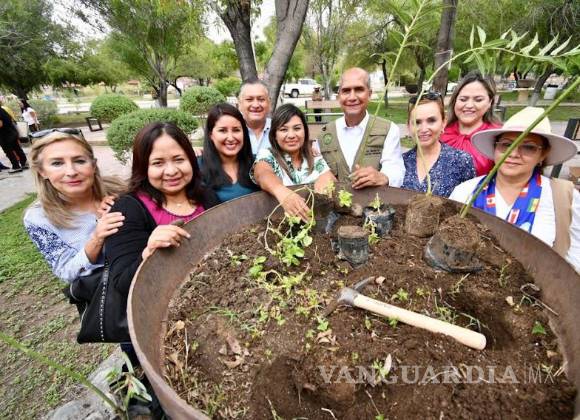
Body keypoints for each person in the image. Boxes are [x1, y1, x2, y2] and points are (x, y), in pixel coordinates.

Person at [449, 107, 580, 271]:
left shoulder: (563, 197)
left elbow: (575, 256)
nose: (514, 153)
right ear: (495, 148)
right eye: (506, 144)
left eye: (529, 147)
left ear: (543, 154)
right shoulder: (465, 191)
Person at [23, 132, 125, 284]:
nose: (71, 172)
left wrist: (126, 205)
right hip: (110, 291)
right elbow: (66, 272)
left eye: (79, 161)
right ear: (42, 172)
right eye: (57, 163)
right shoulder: (38, 218)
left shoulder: (120, 189)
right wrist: (97, 239)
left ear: (93, 165)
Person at [318, 67, 405, 189]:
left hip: (376, 201)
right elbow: (316, 169)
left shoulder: (389, 129)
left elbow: (395, 168)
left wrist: (384, 177)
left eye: (359, 89)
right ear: (339, 96)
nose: (352, 97)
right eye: (346, 91)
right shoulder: (324, 134)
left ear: (369, 94)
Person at [252, 104, 335, 220]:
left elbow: (330, 179)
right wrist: (281, 192)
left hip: (317, 222)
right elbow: (262, 173)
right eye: (283, 129)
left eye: (297, 128)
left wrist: (326, 177)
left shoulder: (313, 156)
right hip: (281, 222)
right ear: (274, 135)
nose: (291, 135)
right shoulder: (268, 154)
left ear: (305, 131)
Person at [402, 92, 475, 197]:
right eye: (417, 122)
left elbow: (469, 201)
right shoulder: (401, 162)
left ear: (443, 123)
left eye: (431, 120)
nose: (424, 129)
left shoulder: (461, 161)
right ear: (408, 126)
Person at [441, 71, 502, 176]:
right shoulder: (440, 131)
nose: (469, 105)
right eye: (463, 99)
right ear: (455, 101)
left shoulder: (499, 136)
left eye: (478, 100)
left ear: (490, 102)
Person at [199, 103, 259, 203]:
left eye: (236, 130)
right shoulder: (197, 168)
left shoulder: (258, 163)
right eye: (222, 130)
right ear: (210, 134)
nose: (230, 138)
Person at [238, 78, 272, 155]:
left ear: (269, 103)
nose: (256, 105)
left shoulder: (279, 129)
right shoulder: (232, 132)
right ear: (240, 104)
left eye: (261, 99)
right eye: (249, 99)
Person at [0, 105, 28, 173]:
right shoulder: (2, 110)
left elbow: (0, 124)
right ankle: (24, 163)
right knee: (17, 148)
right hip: (12, 132)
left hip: (5, 135)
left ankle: (16, 166)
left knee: (9, 151)